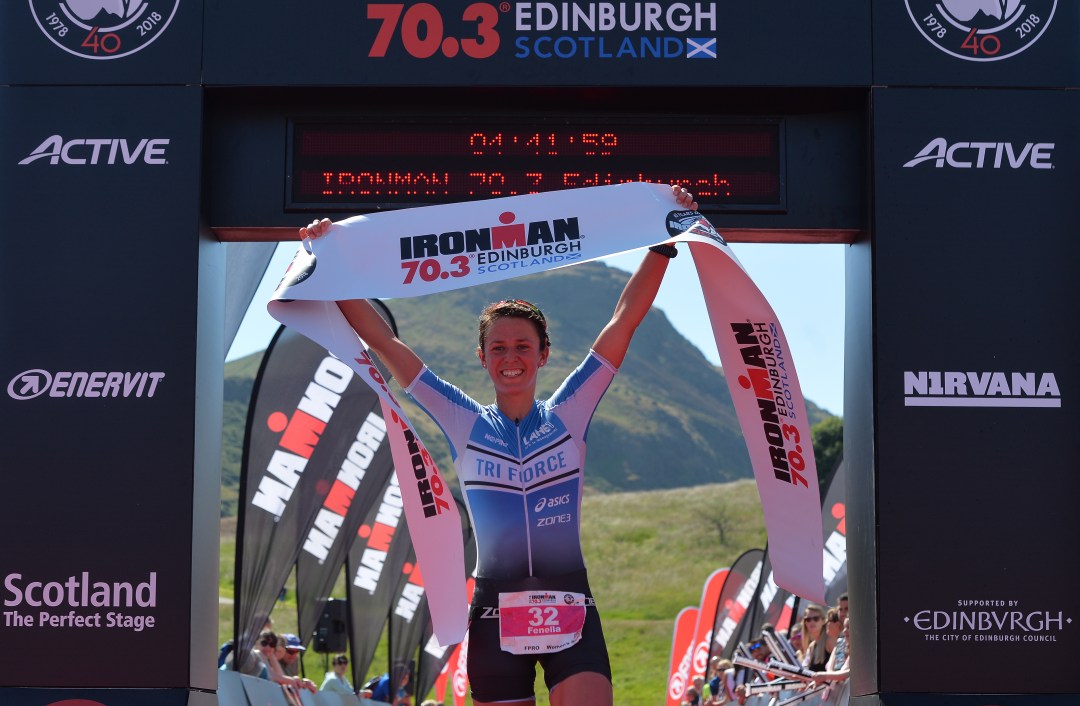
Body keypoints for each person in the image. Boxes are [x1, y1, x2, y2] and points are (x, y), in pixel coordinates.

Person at [300, 184, 699, 706]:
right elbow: (385, 343)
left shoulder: (570, 410)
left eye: (522, 347)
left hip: (570, 601)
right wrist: (327, 265)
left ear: (544, 356)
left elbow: (623, 319)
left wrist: (663, 243)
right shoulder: (462, 419)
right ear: (483, 358)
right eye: (499, 348)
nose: (511, 357)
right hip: (494, 611)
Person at [798, 605, 831, 672]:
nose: (812, 622)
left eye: (816, 619)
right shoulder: (811, 646)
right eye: (808, 619)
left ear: (823, 621)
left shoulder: (829, 641)